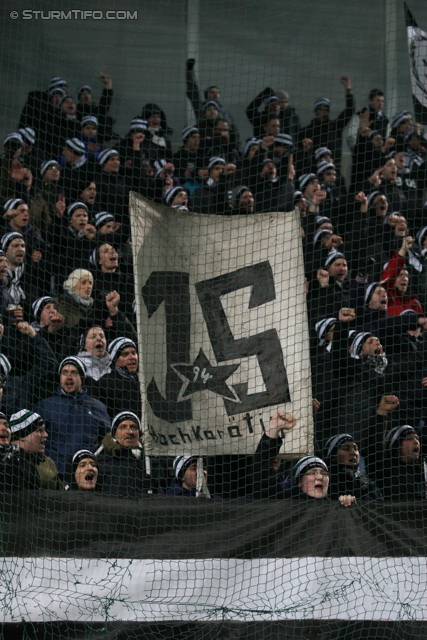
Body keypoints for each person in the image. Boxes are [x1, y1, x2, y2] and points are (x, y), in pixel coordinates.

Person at [33, 356, 110, 476]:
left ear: (82, 378)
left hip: (86, 475)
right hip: (54, 474)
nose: (68, 377)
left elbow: (107, 441)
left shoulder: (98, 407)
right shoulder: (45, 406)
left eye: (74, 373)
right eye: (64, 373)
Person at [96, 411, 165, 496]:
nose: (130, 432)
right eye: (123, 427)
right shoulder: (102, 462)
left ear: (139, 434)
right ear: (114, 434)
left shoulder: (152, 464)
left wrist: (155, 488)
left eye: (133, 427)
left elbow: (163, 499)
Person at [299, 76, 355, 168]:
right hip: (315, 170)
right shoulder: (307, 131)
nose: (324, 112)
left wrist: (348, 89)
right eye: (321, 110)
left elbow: (350, 110)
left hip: (334, 170)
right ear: (316, 111)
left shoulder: (335, 127)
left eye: (326, 110)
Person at [9, 409, 62, 489]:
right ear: (22, 435)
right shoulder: (7, 464)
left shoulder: (48, 463)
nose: (46, 435)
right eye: (40, 431)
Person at [323, 433, 382, 500]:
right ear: (333, 457)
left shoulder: (368, 485)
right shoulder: (325, 482)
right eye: (346, 449)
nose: (353, 452)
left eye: (355, 448)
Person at [95, 337, 141, 417]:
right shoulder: (105, 384)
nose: (132, 357)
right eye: (125, 354)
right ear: (114, 359)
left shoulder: (144, 380)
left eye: (134, 353)